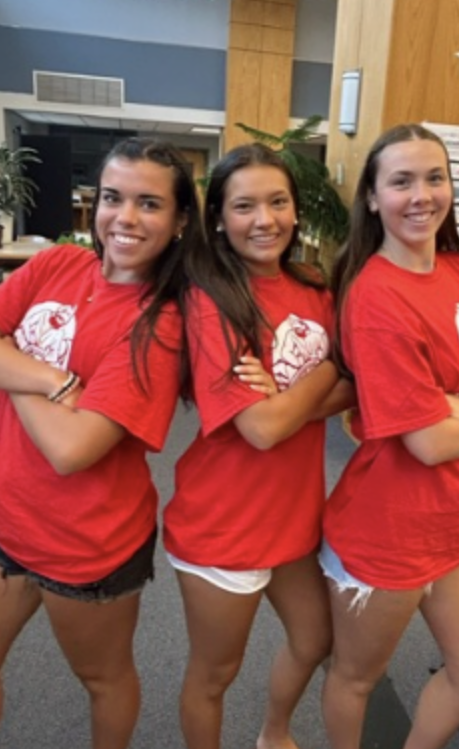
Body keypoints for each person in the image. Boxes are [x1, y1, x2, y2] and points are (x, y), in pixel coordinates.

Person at [0, 137, 203, 749]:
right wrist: (50, 377)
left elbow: (73, 449)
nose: (125, 218)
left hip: (89, 543)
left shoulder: (161, 321)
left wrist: (6, 358)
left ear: (180, 219)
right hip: (5, 518)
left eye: (149, 203)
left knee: (103, 679)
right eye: (112, 198)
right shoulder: (58, 264)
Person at [320, 124, 459, 749]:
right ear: (372, 197)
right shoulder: (374, 296)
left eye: (435, 177)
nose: (421, 195)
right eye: (401, 181)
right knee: (356, 678)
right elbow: (427, 444)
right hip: (385, 534)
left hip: (455, 520)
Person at [163, 143, 353, 749]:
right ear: (218, 218)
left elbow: (359, 387)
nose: (264, 219)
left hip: (295, 517)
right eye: (244, 206)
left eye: (278, 202)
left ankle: (274, 734)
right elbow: (261, 430)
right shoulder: (210, 297)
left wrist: (287, 396)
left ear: (297, 212)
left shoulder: (314, 286)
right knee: (215, 674)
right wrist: (326, 370)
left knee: (315, 640)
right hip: (224, 524)